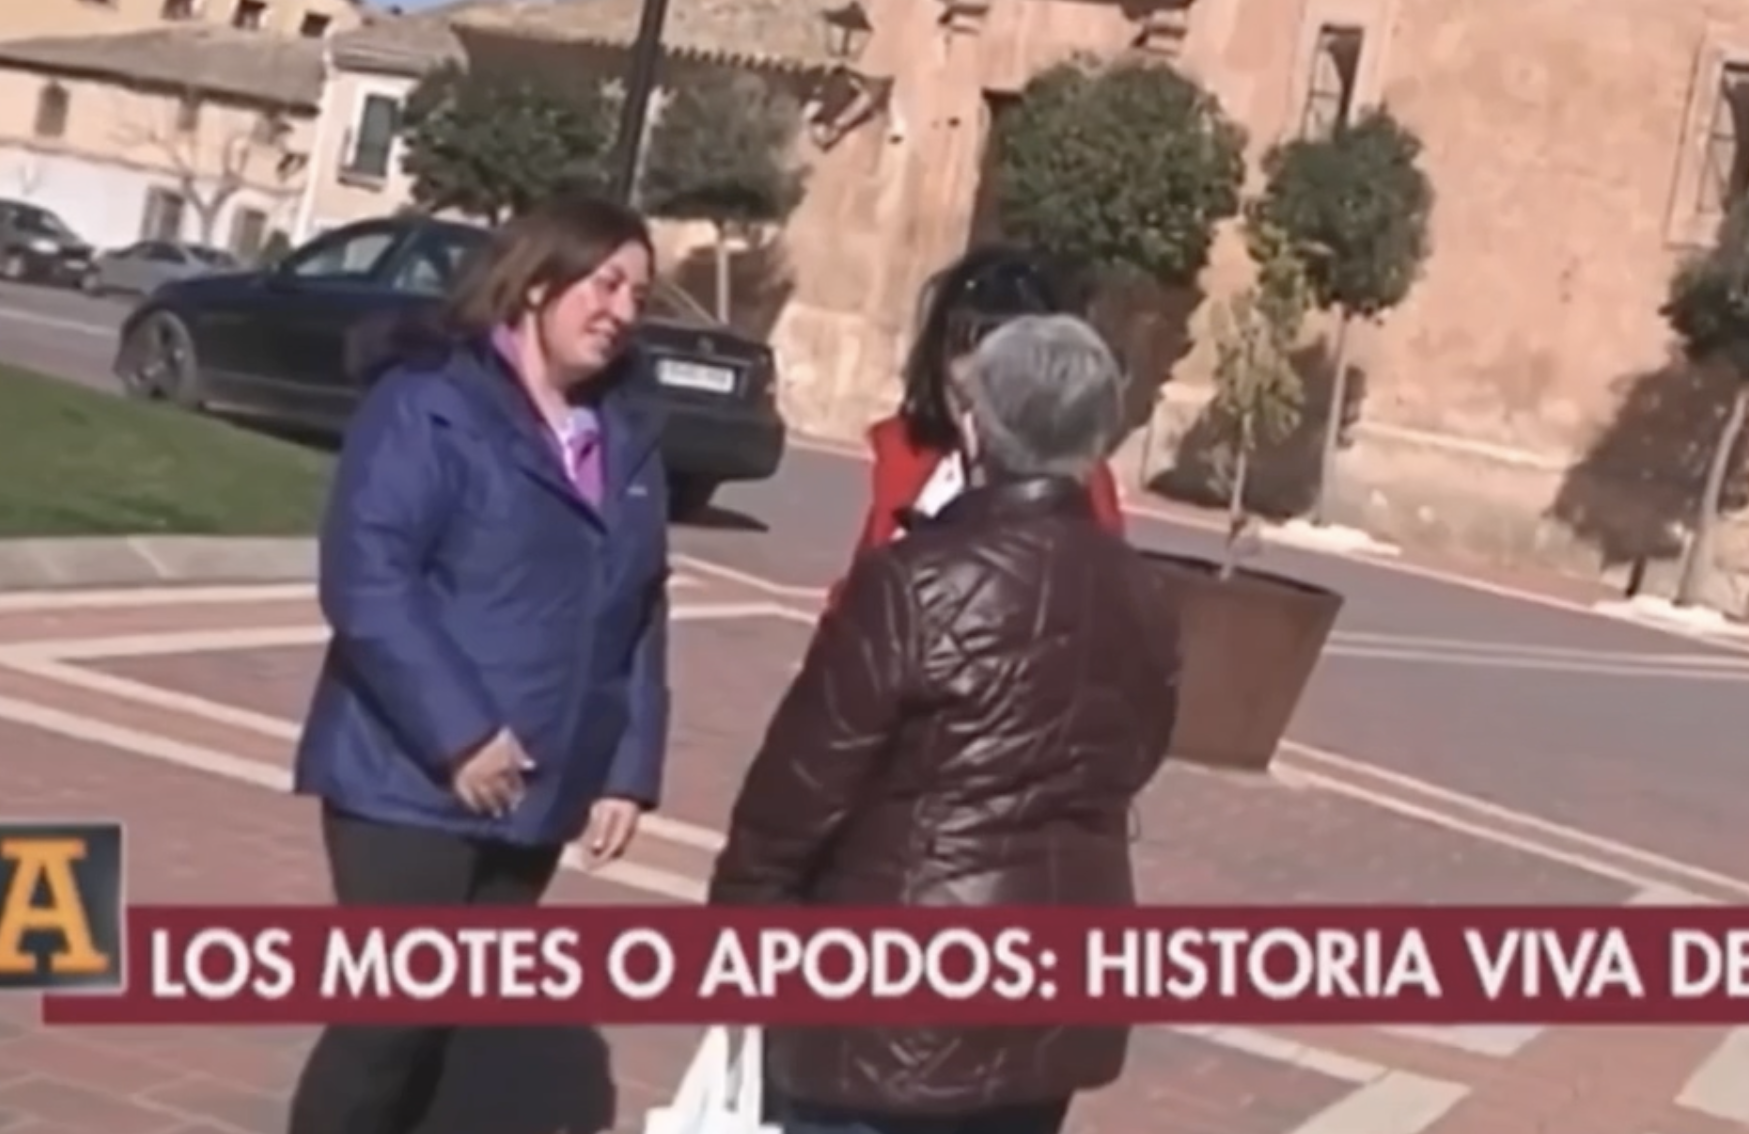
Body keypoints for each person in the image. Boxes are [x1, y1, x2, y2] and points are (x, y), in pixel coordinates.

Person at [713, 314, 1181, 1134]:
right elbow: (1137, 753)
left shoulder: (913, 581)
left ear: (975, 427)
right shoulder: (1144, 592)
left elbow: (803, 786)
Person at [287, 196, 674, 1134]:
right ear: (537, 283)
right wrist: (459, 734)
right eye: (605, 284)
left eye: (638, 295)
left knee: (461, 1031)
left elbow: (642, 609)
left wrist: (627, 769)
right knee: (388, 1025)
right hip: (406, 777)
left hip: (540, 784)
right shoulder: (430, 403)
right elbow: (368, 577)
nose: (621, 311)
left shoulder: (623, 437)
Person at [854, 244, 1127, 550]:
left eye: (1006, 356)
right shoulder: (910, 457)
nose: (976, 373)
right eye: (963, 345)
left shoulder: (1079, 490)